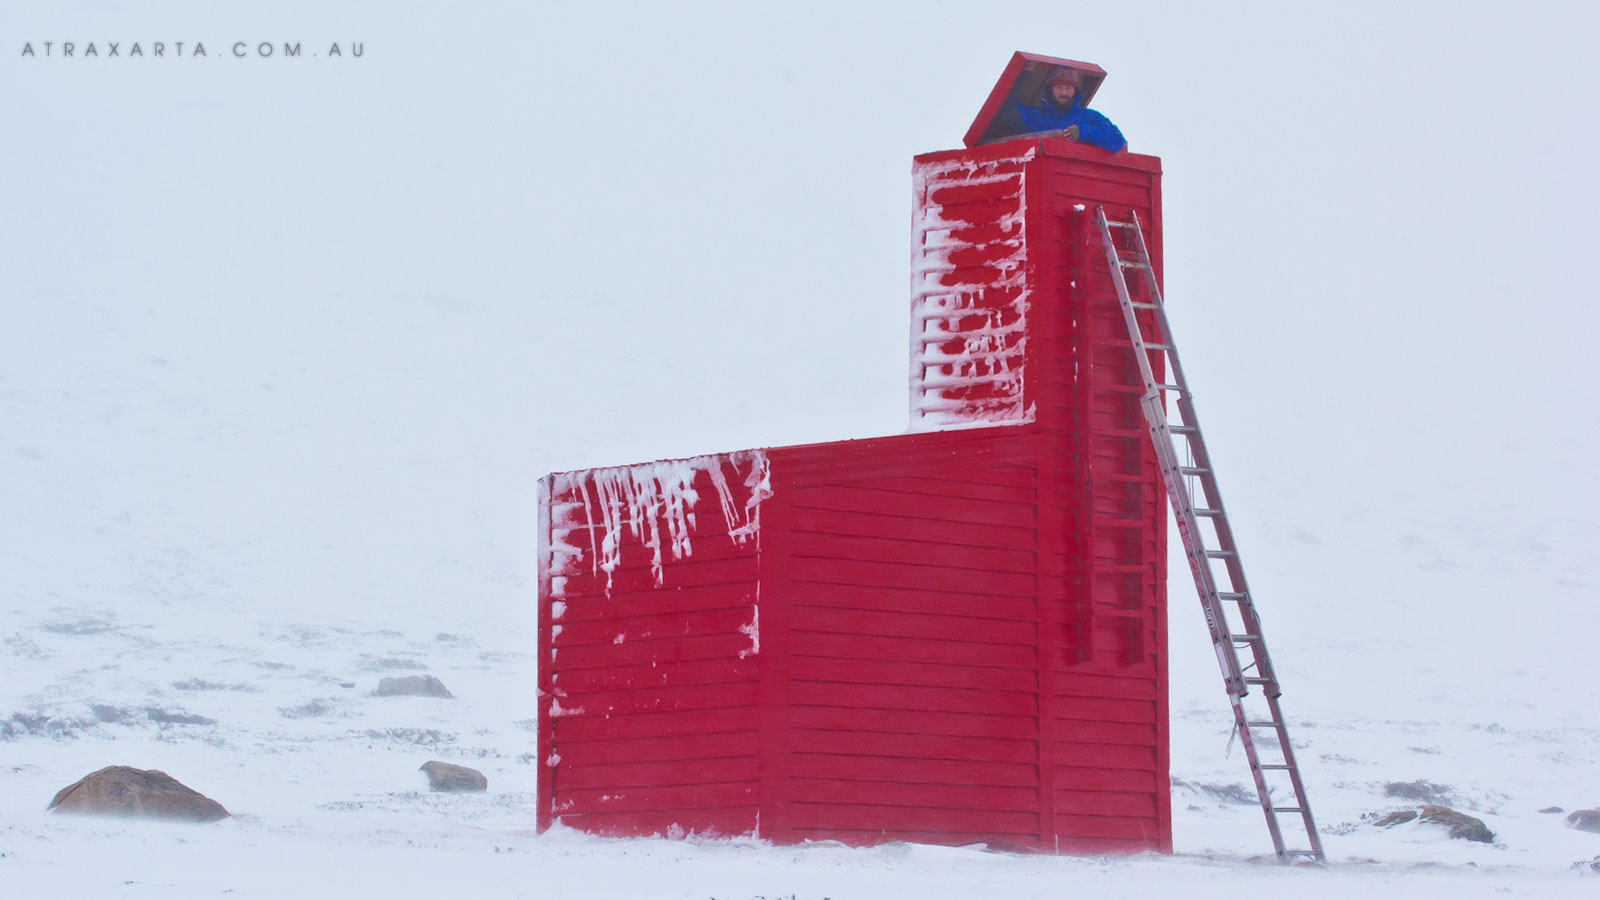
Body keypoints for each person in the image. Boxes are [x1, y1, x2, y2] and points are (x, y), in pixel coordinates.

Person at [1015, 68, 1126, 153]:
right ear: (1051, 89)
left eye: (1069, 88)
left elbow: (1117, 141)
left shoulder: (1090, 117)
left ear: (1075, 90)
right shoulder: (1035, 116)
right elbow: (1006, 110)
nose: (1064, 93)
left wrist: (1083, 131)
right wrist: (1023, 74)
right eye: (1059, 87)